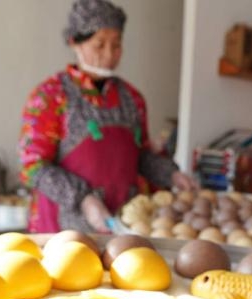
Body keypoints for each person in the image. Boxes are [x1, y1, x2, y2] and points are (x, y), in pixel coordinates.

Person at [18, 0, 196, 234]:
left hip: (122, 226)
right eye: (99, 45)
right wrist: (84, 198)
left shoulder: (132, 99)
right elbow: (33, 167)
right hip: (62, 231)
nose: (109, 55)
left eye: (117, 45)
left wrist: (172, 175)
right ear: (75, 43)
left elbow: (140, 155)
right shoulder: (51, 96)